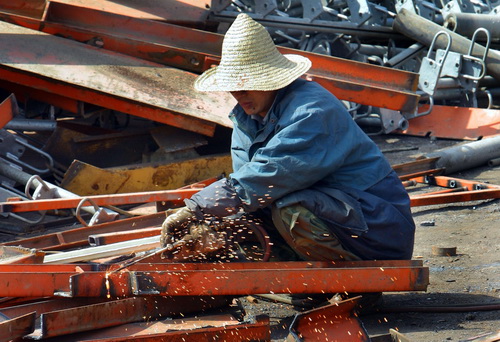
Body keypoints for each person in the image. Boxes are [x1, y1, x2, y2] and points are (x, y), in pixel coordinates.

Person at [160, 13, 416, 262]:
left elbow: (270, 175)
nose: (238, 93)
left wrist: (196, 208)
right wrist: (210, 222)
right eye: (233, 85)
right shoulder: (246, 118)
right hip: (340, 218)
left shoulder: (313, 111)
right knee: (235, 222)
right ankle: (306, 280)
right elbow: (247, 194)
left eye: (245, 83)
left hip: (378, 230)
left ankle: (354, 282)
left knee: (290, 210)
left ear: (270, 79)